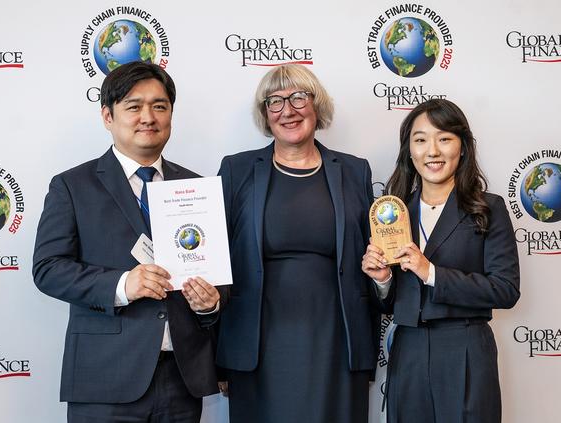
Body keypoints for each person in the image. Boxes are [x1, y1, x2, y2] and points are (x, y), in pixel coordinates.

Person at [32, 62, 222, 423]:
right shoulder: (72, 186)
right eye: (134, 106)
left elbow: (219, 276)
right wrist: (122, 285)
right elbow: (48, 269)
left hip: (182, 380)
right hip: (105, 379)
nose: (148, 117)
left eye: (159, 106)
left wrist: (209, 305)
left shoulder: (198, 187)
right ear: (108, 116)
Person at [216, 64, 378, 423]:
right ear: (265, 114)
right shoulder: (236, 171)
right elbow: (216, 265)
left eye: (298, 98)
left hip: (337, 344)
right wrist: (220, 358)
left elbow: (372, 264)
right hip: (257, 346)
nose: (287, 110)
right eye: (274, 102)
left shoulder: (355, 172)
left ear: (317, 105)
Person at [362, 98, 520, 423]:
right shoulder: (393, 214)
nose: (432, 151)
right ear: (409, 151)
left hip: (466, 348)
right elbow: (389, 304)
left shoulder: (488, 209)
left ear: (462, 147)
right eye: (420, 140)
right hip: (408, 350)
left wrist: (431, 272)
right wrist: (382, 281)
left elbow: (506, 290)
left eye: (444, 138)